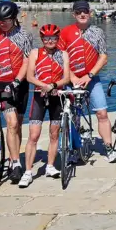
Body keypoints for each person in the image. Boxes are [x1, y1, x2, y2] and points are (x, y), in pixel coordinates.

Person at [0, 0, 35, 183]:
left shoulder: (24, 35)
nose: (2, 23)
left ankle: (13, 157)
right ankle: (16, 164)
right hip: (1, 83)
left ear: (14, 18)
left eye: (6, 20)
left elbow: (27, 61)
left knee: (18, 124)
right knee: (11, 123)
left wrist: (17, 80)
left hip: (21, 83)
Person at [60, 0, 116, 162]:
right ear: (74, 15)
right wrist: (72, 77)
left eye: (85, 11)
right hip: (70, 80)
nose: (82, 14)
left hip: (91, 78)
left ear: (90, 13)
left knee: (102, 113)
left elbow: (103, 56)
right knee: (72, 116)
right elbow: (60, 57)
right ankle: (73, 149)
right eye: (78, 12)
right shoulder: (65, 32)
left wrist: (89, 75)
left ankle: (109, 148)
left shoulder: (97, 32)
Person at [20, 24, 71, 187]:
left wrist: (53, 85)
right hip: (39, 96)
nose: (50, 41)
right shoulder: (35, 53)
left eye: (53, 38)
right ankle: (28, 172)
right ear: (42, 39)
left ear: (58, 39)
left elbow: (67, 78)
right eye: (47, 38)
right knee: (34, 135)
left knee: (54, 134)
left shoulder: (63, 54)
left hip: (57, 96)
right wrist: (44, 85)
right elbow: (29, 76)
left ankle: (50, 166)